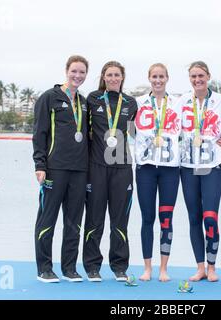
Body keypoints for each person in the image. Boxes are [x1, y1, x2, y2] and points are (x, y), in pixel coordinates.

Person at [32, 55, 89, 283]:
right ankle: (44, 268)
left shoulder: (83, 102)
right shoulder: (50, 97)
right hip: (54, 169)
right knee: (47, 219)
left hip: (79, 170)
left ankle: (69, 268)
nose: (78, 76)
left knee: (74, 222)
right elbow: (39, 134)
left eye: (82, 72)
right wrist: (40, 165)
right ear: (66, 71)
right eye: (74, 71)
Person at [83, 61, 138, 282]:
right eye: (110, 75)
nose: (113, 78)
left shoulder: (131, 103)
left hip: (122, 169)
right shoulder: (92, 99)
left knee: (119, 221)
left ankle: (119, 266)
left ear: (122, 78)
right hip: (96, 168)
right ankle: (92, 266)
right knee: (94, 219)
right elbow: (84, 133)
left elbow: (134, 136)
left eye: (117, 75)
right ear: (103, 77)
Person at [178, 61, 221, 282]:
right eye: (193, 76)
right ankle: (200, 267)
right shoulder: (182, 101)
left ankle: (213, 266)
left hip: (210, 166)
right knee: (194, 218)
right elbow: (174, 130)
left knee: (210, 217)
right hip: (187, 166)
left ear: (208, 76)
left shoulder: (219, 100)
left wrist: (218, 145)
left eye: (201, 75)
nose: (197, 80)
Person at [134, 63, 181, 282]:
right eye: (154, 76)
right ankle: (147, 268)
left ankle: (163, 268)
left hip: (170, 169)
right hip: (145, 168)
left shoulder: (177, 103)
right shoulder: (139, 102)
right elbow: (129, 131)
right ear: (149, 78)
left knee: (166, 219)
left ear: (167, 78)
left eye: (162, 76)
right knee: (147, 218)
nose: (158, 80)